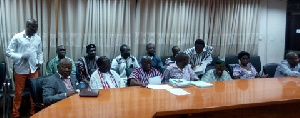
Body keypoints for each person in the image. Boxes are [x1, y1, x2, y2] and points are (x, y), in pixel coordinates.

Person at [6, 19, 42, 117]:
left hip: (33, 69)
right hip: (20, 70)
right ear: (27, 26)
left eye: (36, 27)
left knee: (34, 93)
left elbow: (39, 52)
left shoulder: (38, 38)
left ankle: (33, 113)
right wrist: (21, 56)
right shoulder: (17, 37)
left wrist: (40, 62)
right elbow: (8, 52)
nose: (35, 29)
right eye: (33, 27)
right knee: (18, 93)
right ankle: (15, 114)